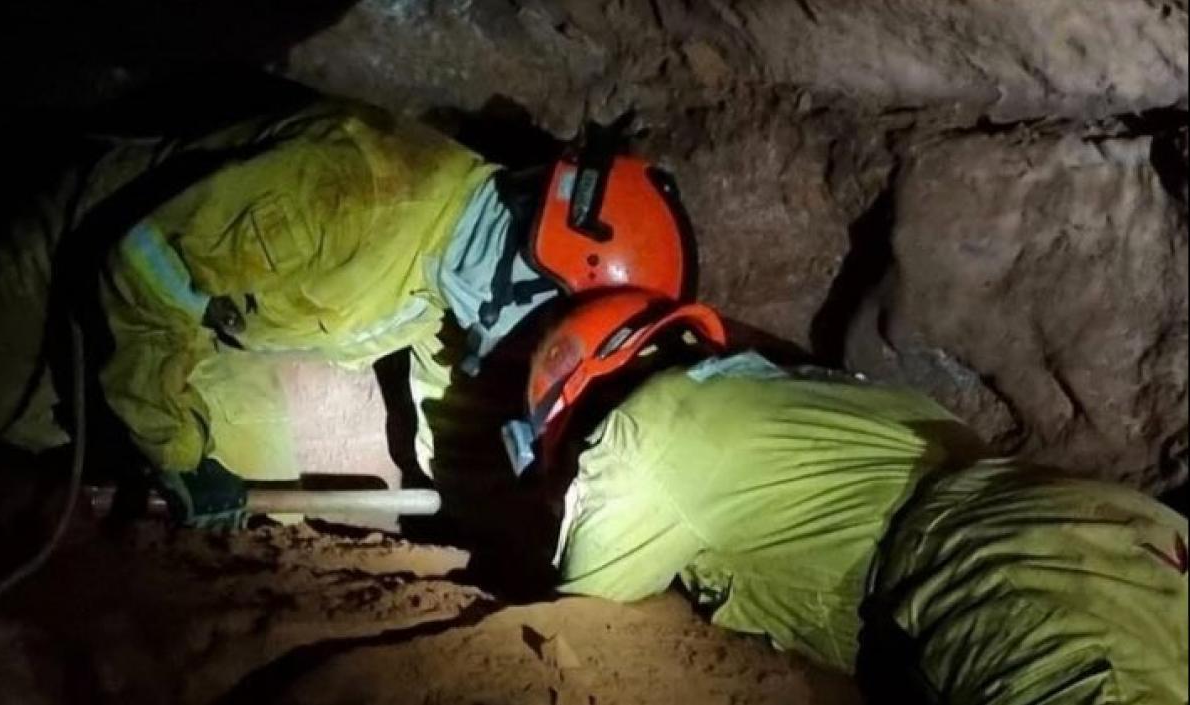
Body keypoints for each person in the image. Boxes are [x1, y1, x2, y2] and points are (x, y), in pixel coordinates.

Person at [0, 98, 696, 527]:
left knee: (266, 488)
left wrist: (470, 493)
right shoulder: (355, 191)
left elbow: (444, 377)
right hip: (87, 251)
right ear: (543, 269)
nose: (552, 345)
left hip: (209, 321)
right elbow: (146, 264)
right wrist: (176, 449)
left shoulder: (465, 271)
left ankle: (127, 435)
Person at [506, 288, 1189, 705]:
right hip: (1133, 535)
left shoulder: (641, 432)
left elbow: (585, 600)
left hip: (993, 561)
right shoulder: (802, 388)